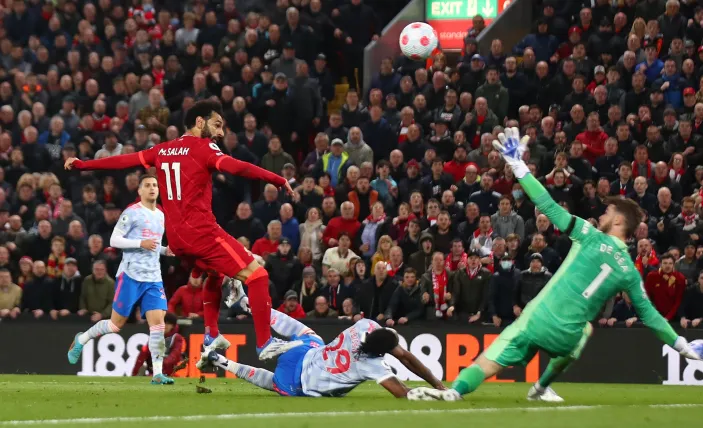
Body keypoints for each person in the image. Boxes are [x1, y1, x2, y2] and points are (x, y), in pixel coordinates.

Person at [420, 128, 703, 403]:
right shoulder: (629, 269)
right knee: (584, 331)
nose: (602, 214)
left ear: (617, 221)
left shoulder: (587, 235)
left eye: (607, 211)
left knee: (488, 361)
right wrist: (682, 346)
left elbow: (548, 205)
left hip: (537, 318)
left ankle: (455, 392)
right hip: (567, 335)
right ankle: (541, 387)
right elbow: (650, 315)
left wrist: (520, 168)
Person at [64, 100, 297, 360]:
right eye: (217, 125)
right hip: (201, 232)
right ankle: (264, 343)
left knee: (214, 274)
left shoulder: (162, 149)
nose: (220, 133)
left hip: (176, 238)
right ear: (200, 122)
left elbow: (123, 161)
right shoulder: (204, 148)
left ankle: (211, 334)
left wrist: (85, 165)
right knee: (258, 277)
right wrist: (276, 178)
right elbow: (237, 167)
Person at [67, 174, 176, 385]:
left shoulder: (161, 214)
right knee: (116, 325)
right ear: (140, 191)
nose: (152, 188)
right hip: (131, 276)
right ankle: (81, 339)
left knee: (158, 325)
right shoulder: (132, 212)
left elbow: (152, 245)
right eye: (147, 185)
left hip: (153, 277)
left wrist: (164, 250)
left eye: (155, 185)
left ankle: (157, 374)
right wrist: (139, 243)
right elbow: (114, 240)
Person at [197, 309, 445, 398]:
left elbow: (402, 354)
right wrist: (437, 389)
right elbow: (402, 392)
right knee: (272, 383)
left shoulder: (365, 325)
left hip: (306, 353)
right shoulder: (373, 365)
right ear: (384, 352)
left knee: (307, 333)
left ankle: (252, 305)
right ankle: (220, 360)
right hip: (299, 383)